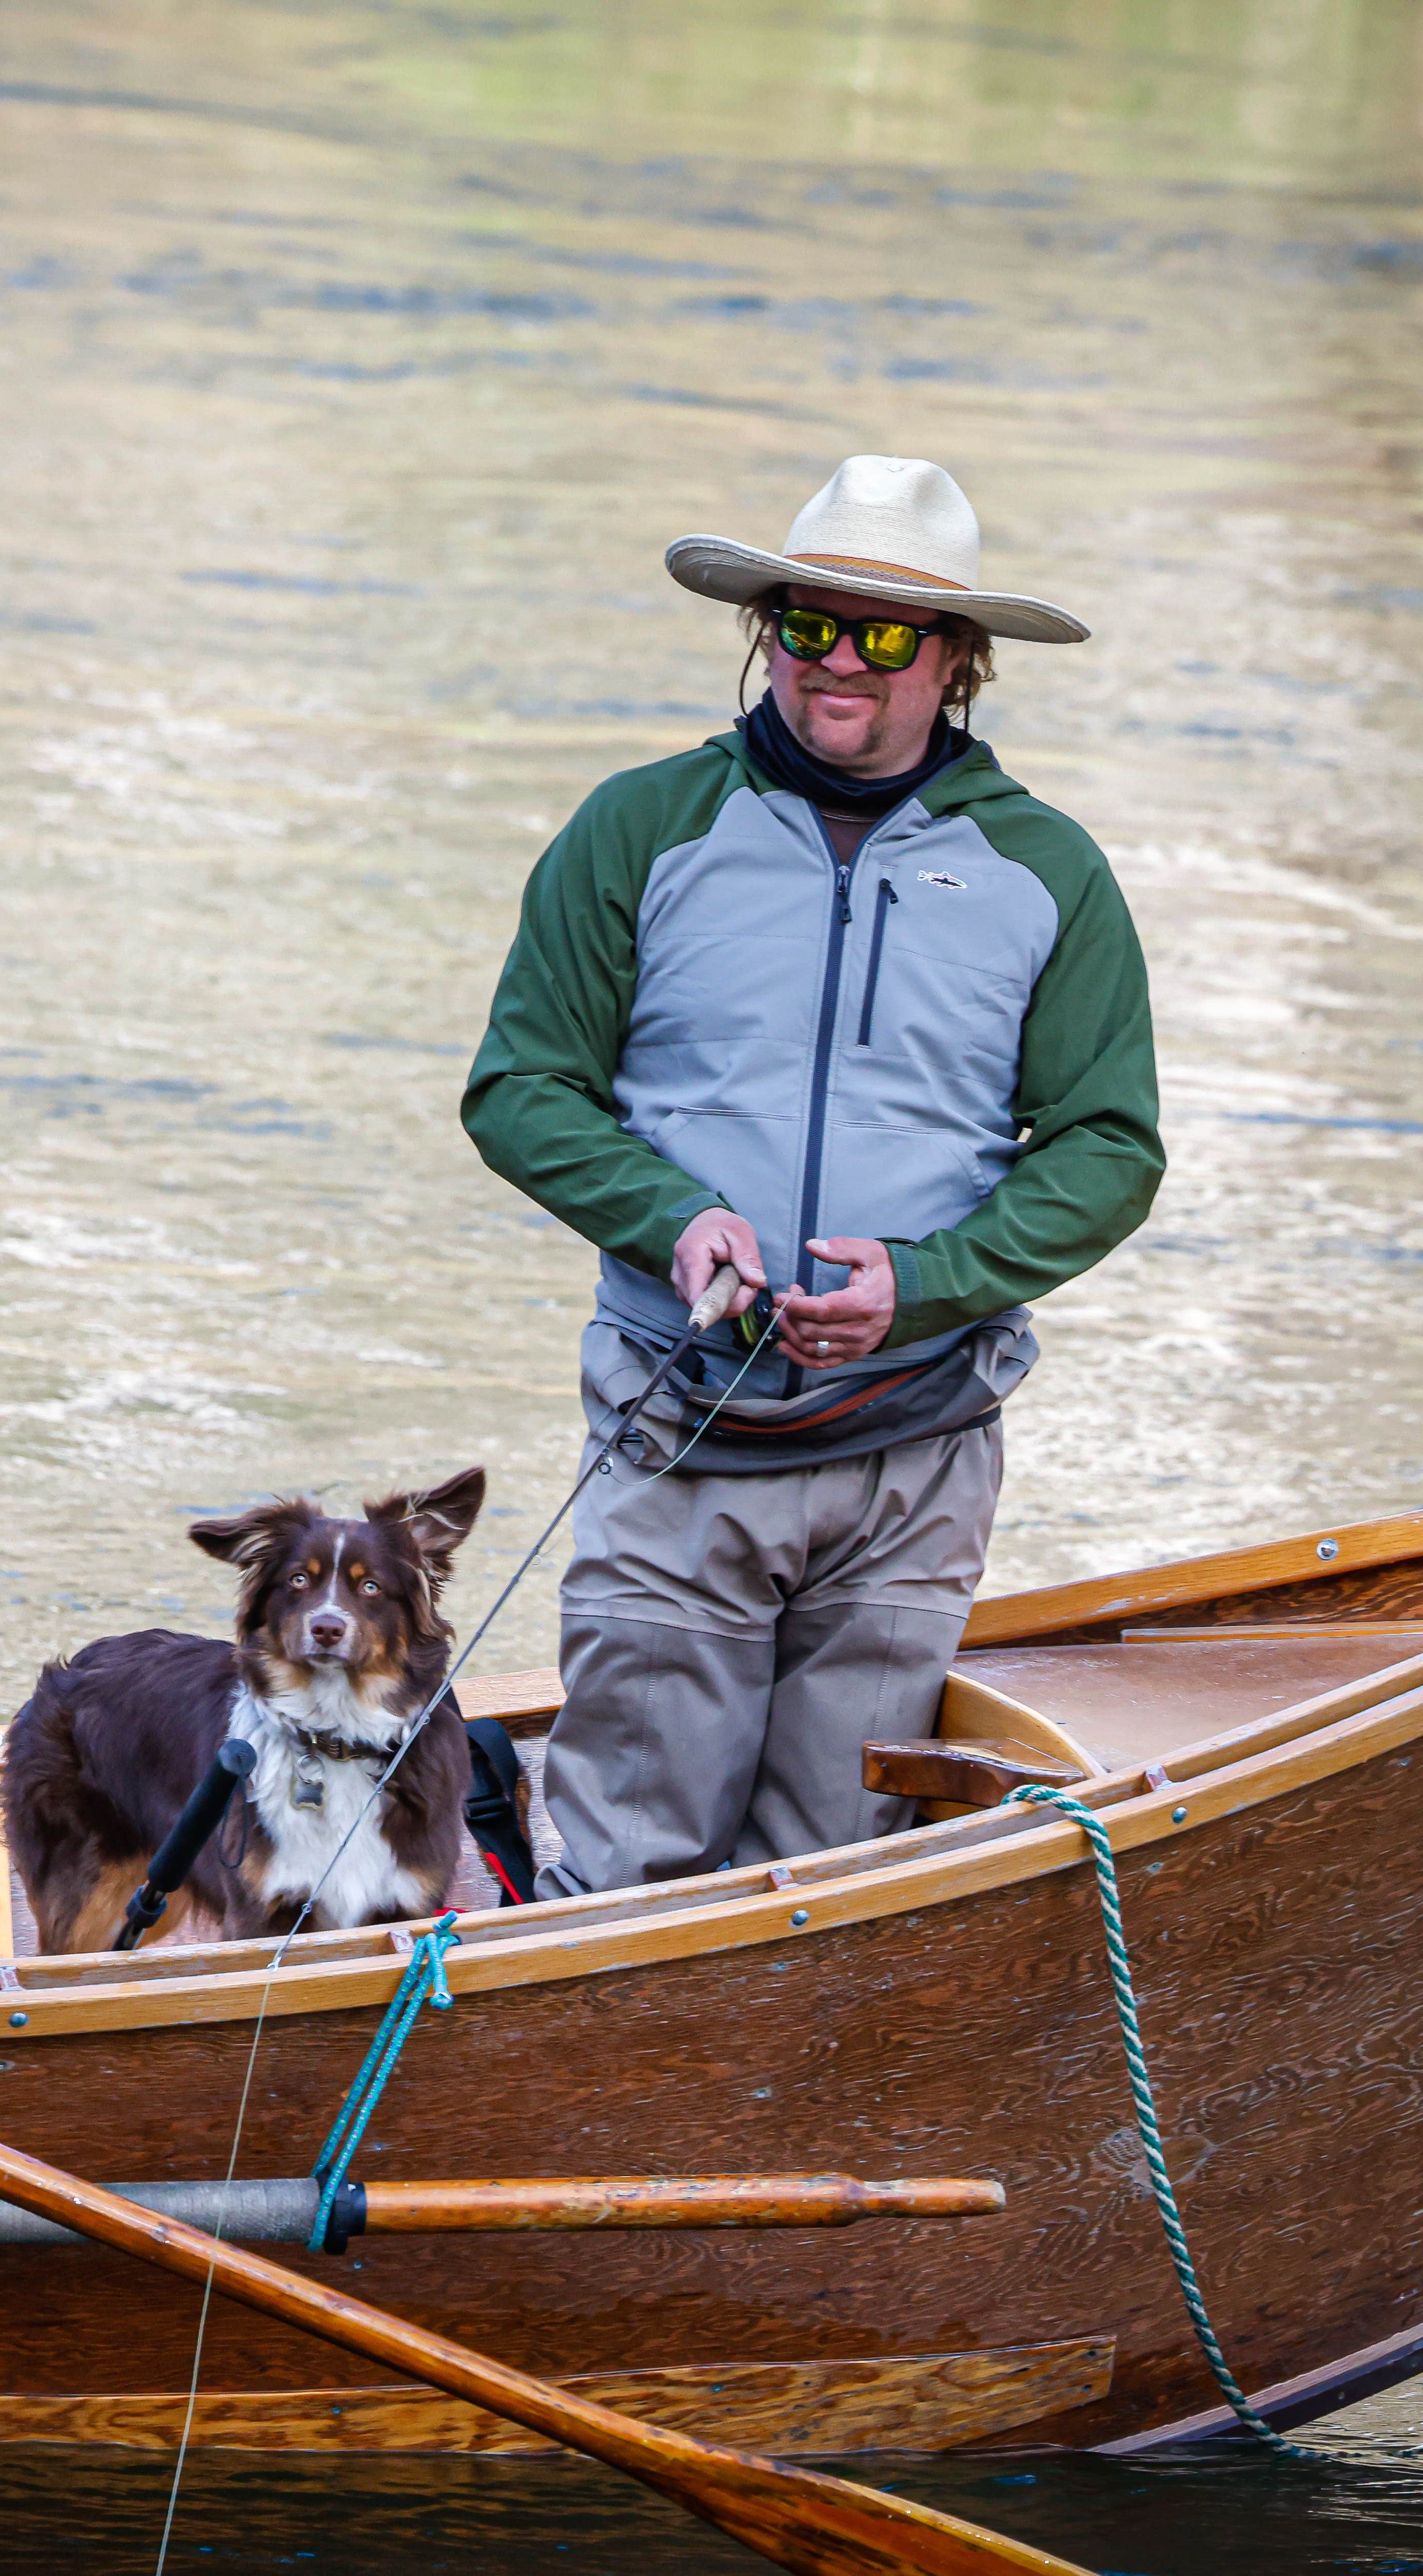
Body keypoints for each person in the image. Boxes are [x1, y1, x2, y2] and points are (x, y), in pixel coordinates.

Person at [460, 455, 1161, 1891]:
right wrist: (675, 1221)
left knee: (837, 1882)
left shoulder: (1051, 875)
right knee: (629, 1867)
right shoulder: (639, 828)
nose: (840, 657)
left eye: (888, 632)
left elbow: (1109, 1149)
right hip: (677, 1430)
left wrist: (928, 1285)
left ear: (958, 663)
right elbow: (521, 1089)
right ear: (764, 632)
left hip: (917, 1455)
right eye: (807, 622)